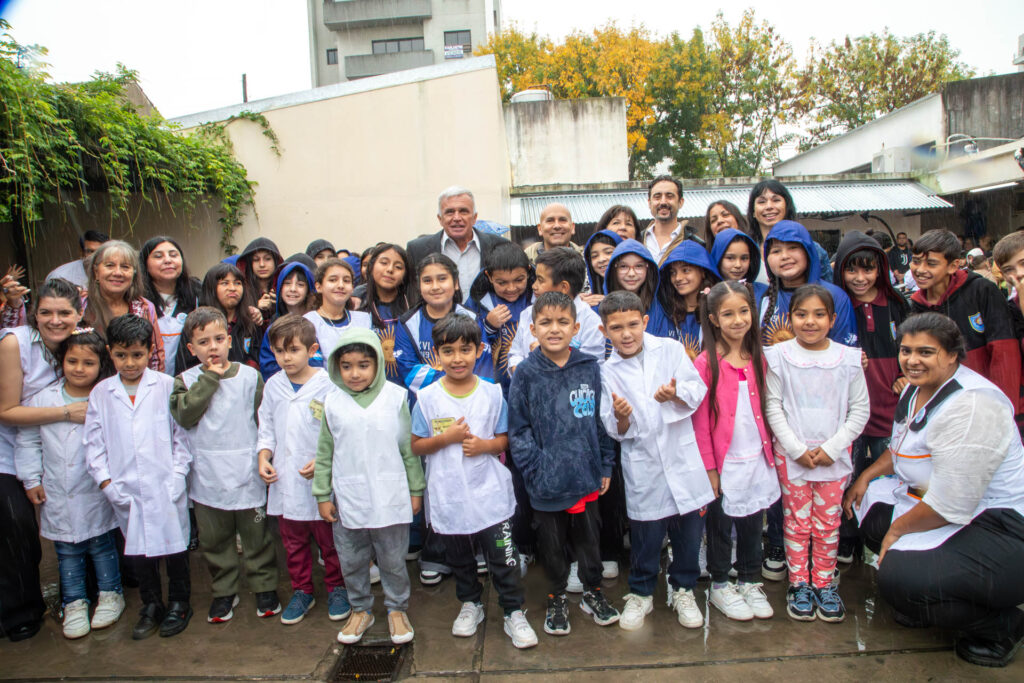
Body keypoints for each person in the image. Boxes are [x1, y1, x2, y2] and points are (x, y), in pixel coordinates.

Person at [844, 313, 1024, 668]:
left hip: (1003, 525)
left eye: (926, 352)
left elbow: (952, 501)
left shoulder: (973, 405)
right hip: (950, 506)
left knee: (898, 578)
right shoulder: (916, 388)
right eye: (906, 350)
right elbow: (903, 449)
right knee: (865, 509)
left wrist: (897, 532)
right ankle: (929, 597)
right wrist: (865, 476)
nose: (912, 360)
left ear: (952, 354)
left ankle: (1001, 626)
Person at [410, 315, 540, 648]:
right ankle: (471, 603)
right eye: (448, 351)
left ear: (479, 350)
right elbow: (416, 444)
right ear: (436, 356)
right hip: (449, 494)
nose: (457, 358)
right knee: (460, 558)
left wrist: (485, 446)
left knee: (503, 555)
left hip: (490, 495)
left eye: (465, 350)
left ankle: (513, 610)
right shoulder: (427, 398)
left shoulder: (492, 393)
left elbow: (503, 439)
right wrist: (447, 438)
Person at [598, 290, 713, 631]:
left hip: (681, 458)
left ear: (645, 321)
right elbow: (614, 428)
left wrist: (674, 393)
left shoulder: (671, 349)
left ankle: (684, 589)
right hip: (644, 463)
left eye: (633, 324)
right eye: (616, 328)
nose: (627, 333)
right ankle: (642, 592)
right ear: (605, 332)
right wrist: (622, 416)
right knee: (647, 535)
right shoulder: (607, 371)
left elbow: (696, 390)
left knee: (688, 534)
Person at [509, 292, 618, 637]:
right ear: (532, 329)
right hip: (546, 483)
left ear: (576, 328)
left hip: (585, 476)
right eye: (545, 322)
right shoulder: (525, 373)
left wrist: (605, 465)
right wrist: (536, 469)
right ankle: (557, 597)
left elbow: (601, 421)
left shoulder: (589, 367)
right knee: (552, 547)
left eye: (562, 322)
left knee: (589, 541)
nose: (554, 329)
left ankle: (592, 592)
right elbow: (518, 429)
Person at [764, 286, 869, 623]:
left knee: (827, 524)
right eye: (801, 314)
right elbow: (773, 406)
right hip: (791, 457)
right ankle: (799, 584)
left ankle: (824, 583)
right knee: (796, 522)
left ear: (832, 319)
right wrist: (796, 449)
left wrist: (832, 447)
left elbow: (860, 410)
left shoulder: (849, 359)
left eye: (819, 314)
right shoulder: (777, 356)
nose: (810, 322)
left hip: (833, 459)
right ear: (790, 317)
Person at [85, 314, 193, 640]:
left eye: (137, 354)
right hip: (125, 487)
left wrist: (178, 473)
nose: (129, 363)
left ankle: (178, 603)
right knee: (140, 551)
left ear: (150, 352)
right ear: (109, 353)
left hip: (165, 483)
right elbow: (93, 445)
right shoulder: (101, 394)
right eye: (121, 355)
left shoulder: (166, 385)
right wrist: (106, 483)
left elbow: (182, 437)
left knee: (175, 548)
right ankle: (151, 604)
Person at [313, 328, 424, 645]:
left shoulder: (395, 397)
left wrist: (416, 490)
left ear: (377, 363)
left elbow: (408, 449)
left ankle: (396, 609)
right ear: (336, 367)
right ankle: (360, 608)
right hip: (349, 497)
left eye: (363, 364)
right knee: (351, 559)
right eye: (346, 366)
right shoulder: (332, 403)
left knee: (392, 559)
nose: (354, 373)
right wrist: (322, 494)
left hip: (390, 496)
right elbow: (324, 453)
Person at [169, 307, 279, 624]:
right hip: (207, 475)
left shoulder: (249, 376)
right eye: (204, 342)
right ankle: (223, 591)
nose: (213, 347)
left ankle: (265, 586)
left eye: (219, 339)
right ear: (191, 349)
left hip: (246, 469)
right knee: (215, 541)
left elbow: (264, 420)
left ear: (229, 340)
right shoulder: (185, 381)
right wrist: (209, 379)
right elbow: (186, 415)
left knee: (257, 537)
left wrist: (266, 456)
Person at [15, 330, 124, 639]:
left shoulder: (105, 396)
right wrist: (31, 479)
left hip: (95, 489)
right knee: (67, 550)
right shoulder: (42, 400)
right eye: (72, 361)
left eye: (88, 362)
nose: (79, 368)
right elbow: (27, 442)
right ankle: (74, 603)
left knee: (102, 545)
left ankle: (110, 594)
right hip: (58, 491)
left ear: (100, 363)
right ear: (60, 361)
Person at [0, 278, 84, 642]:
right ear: (34, 313)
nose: (55, 320)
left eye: (64, 313)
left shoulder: (78, 344)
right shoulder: (14, 342)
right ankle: (19, 611)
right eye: (46, 312)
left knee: (63, 528)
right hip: (6, 448)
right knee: (15, 526)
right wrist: (65, 413)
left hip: (53, 450)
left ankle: (77, 596)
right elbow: (7, 410)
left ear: (78, 314)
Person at [692, 282, 777, 622]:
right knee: (721, 524)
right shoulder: (705, 363)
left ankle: (750, 579)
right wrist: (710, 470)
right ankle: (720, 584)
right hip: (724, 463)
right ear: (713, 319)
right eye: (728, 314)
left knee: (753, 523)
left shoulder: (760, 356)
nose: (738, 320)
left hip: (756, 458)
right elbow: (699, 424)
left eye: (744, 311)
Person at [258, 315, 347, 625]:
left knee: (330, 540)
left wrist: (326, 462)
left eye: (293, 350)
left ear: (312, 350)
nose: (286, 357)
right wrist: (264, 457)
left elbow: (340, 429)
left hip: (322, 478)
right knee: (293, 543)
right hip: (286, 480)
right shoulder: (273, 385)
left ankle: (337, 587)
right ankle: (302, 590)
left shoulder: (329, 384)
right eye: (279, 351)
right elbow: (266, 426)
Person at [834, 230, 910, 563]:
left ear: (880, 268)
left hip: (889, 410)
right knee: (845, 477)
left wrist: (905, 374)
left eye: (868, 270)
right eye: (852, 270)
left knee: (889, 479)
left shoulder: (896, 305)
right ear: (841, 271)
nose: (860, 278)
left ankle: (882, 539)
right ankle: (846, 539)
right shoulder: (837, 305)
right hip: (849, 411)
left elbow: (913, 348)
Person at [908, 229, 1021, 408]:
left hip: (986, 399)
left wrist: (1002, 406)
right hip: (945, 405)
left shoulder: (981, 290)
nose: (920, 270)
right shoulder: (917, 306)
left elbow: (1004, 352)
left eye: (931, 263)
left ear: (953, 265)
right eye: (915, 261)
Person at [393, 254, 492, 403]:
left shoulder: (472, 318)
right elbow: (409, 372)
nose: (435, 287)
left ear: (456, 283)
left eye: (442, 279)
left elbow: (483, 366)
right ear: (419, 286)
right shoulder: (407, 323)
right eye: (427, 281)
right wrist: (455, 381)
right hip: (427, 405)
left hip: (471, 402)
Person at [759, 220, 858, 348]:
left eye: (793, 248)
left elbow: (844, 355)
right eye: (776, 251)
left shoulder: (835, 296)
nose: (784, 256)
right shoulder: (762, 297)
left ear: (808, 252)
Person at [507, 247, 606, 370]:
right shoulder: (528, 314)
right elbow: (515, 354)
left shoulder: (590, 321)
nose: (534, 286)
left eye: (540, 280)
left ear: (564, 287)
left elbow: (591, 367)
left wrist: (548, 356)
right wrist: (521, 371)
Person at [406, 186, 507, 298]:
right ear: (440, 219)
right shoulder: (417, 250)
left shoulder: (500, 245)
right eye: (450, 212)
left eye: (463, 211)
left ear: (474, 217)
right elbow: (412, 293)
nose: (457, 218)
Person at [83, 240, 165, 372]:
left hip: (134, 384)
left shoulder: (144, 307)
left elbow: (155, 354)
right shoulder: (80, 305)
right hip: (86, 384)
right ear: (96, 272)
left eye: (125, 267)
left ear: (134, 273)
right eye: (109, 265)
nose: (117, 273)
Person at [466, 241, 534, 395]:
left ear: (529, 272)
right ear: (489, 276)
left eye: (519, 280)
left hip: (534, 387)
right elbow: (466, 340)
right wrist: (488, 326)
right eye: (502, 282)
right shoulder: (477, 303)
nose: (511, 288)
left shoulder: (539, 297)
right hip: (493, 389)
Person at [177, 263, 261, 372]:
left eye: (237, 283)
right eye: (225, 283)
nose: (232, 288)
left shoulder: (250, 320)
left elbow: (255, 358)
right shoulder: (196, 323)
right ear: (211, 288)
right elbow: (185, 366)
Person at [747, 179, 833, 284]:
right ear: (753, 212)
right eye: (761, 202)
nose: (769, 206)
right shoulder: (747, 251)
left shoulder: (814, 249)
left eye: (776, 200)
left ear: (787, 206)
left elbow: (829, 293)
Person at [140, 236, 202, 377]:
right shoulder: (137, 301)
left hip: (190, 382)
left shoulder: (198, 294)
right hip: (148, 381)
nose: (168, 260)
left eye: (173, 255)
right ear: (145, 264)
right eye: (158, 256)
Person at [358, 243, 413, 385]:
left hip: (409, 391)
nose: (390, 270)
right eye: (384, 263)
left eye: (398, 267)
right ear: (371, 267)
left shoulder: (414, 308)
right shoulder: (358, 309)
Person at [656, 241, 720, 357]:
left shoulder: (718, 310)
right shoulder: (666, 312)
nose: (678, 278)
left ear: (703, 271)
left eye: (685, 270)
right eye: (673, 272)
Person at [304, 259, 372, 367]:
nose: (341, 285)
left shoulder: (365, 319)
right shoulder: (308, 323)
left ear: (352, 288)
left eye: (346, 281)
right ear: (318, 287)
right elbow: (315, 370)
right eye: (332, 280)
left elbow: (373, 362)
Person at [258, 260, 318, 379]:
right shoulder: (274, 328)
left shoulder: (317, 323)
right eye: (287, 283)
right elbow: (267, 366)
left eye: (300, 284)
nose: (293, 289)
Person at [602, 240, 669, 337]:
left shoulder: (661, 309)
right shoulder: (599, 308)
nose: (631, 273)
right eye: (623, 266)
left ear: (648, 268)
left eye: (639, 266)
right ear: (614, 269)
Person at [643, 175, 702, 263]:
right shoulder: (638, 240)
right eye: (657, 197)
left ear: (680, 202)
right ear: (649, 203)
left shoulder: (695, 245)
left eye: (669, 196)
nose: (663, 202)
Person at [235, 238, 283, 320]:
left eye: (267, 259)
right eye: (256, 260)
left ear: (276, 261)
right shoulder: (242, 290)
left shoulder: (284, 288)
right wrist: (255, 311)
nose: (261, 264)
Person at [580, 228, 624, 308]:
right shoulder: (589, 302)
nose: (601, 259)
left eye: (608, 252)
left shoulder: (639, 291)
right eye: (594, 256)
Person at [992, 230, 1024, 311]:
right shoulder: (1008, 312)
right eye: (1008, 269)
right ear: (1003, 276)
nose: (1019, 273)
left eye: (1023, 263)